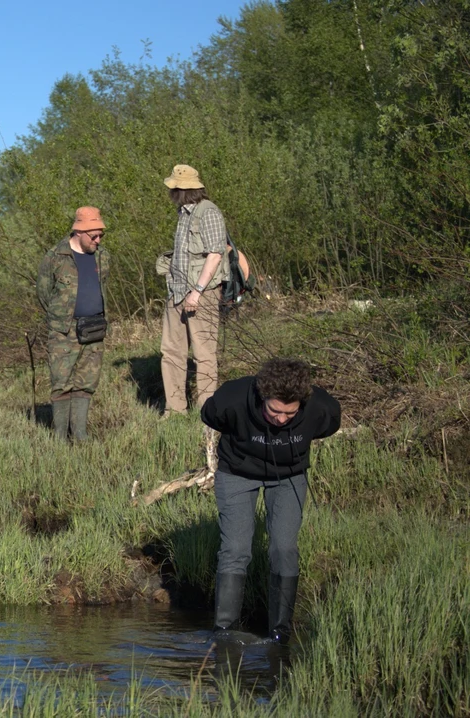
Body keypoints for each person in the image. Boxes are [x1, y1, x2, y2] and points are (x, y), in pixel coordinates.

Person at [200, 357, 341, 644]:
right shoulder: (231, 398)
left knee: (284, 548)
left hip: (289, 475)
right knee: (236, 549)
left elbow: (329, 425)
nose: (280, 419)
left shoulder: (322, 408)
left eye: (289, 414)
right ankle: (224, 631)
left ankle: (280, 632)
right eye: (274, 411)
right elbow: (209, 415)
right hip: (237, 471)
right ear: (263, 397)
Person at [35, 206, 111, 442]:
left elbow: (103, 287)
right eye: (93, 236)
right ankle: (59, 437)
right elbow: (43, 292)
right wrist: (61, 318)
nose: (98, 240)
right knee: (61, 382)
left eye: (101, 235)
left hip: (95, 329)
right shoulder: (55, 256)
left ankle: (80, 434)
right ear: (79, 232)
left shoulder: (103, 256)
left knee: (87, 383)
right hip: (64, 332)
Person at [159, 164, 227, 417]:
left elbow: (215, 254)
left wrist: (196, 293)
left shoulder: (208, 212)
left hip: (202, 293)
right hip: (176, 290)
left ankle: (207, 413)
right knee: (171, 351)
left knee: (203, 353)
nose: (170, 193)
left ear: (180, 190)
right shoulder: (183, 213)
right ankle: (175, 410)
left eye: (173, 189)